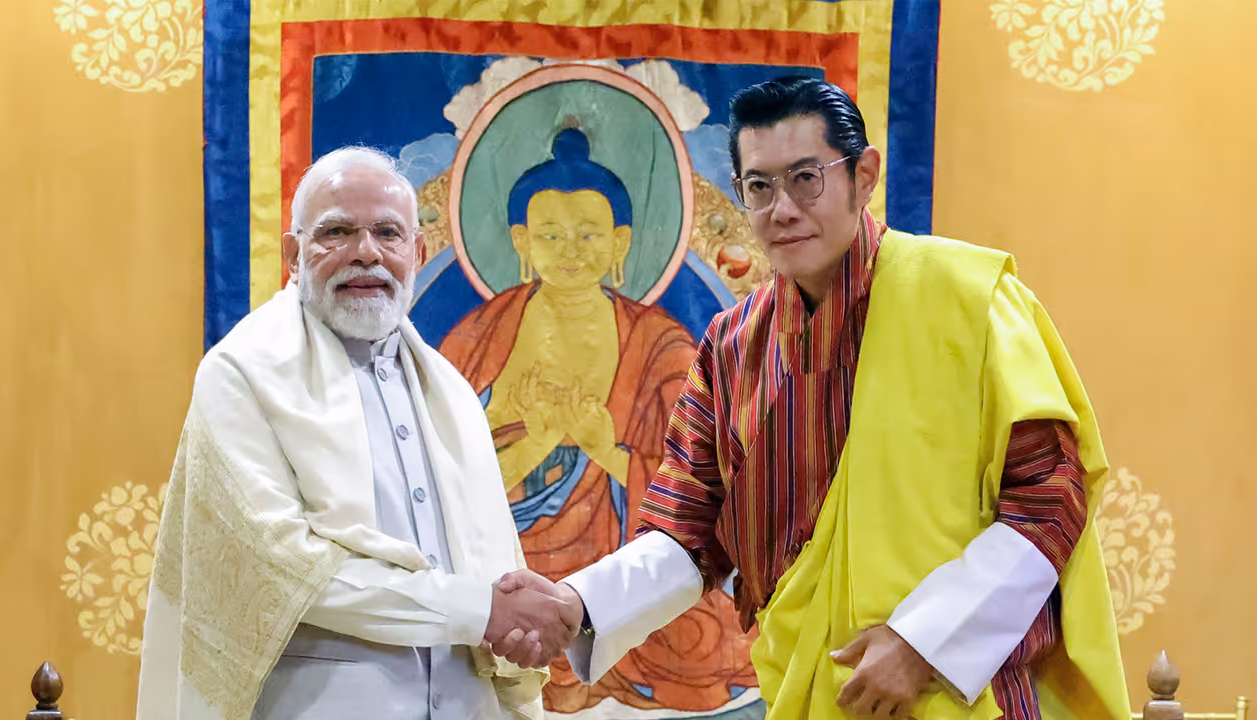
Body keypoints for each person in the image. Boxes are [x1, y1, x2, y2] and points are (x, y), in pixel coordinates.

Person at [494, 77, 1130, 720]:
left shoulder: (968, 300)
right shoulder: (732, 347)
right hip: (812, 692)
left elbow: (1050, 495)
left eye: (806, 178)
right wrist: (579, 604)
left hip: (959, 690)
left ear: (865, 175)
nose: (783, 209)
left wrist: (925, 644)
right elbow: (689, 531)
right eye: (760, 187)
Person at [136, 146, 576, 720]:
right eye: (337, 232)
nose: (365, 253)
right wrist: (482, 612)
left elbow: (489, 565)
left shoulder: (452, 391)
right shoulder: (242, 374)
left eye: (387, 233)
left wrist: (515, 619)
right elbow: (290, 571)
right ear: (293, 254)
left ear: (417, 251)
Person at [439, 128, 757, 712]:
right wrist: (533, 446)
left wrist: (603, 448)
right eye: (551, 235)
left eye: (589, 234)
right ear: (521, 241)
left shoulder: (663, 343)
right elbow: (436, 475)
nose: (570, 250)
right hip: (501, 560)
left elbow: (698, 494)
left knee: (702, 640)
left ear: (620, 243)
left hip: (622, 558)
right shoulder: (479, 337)